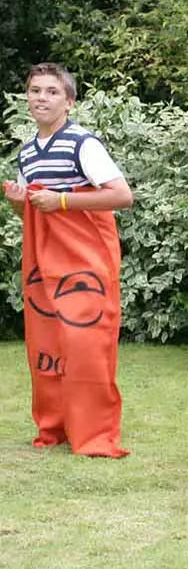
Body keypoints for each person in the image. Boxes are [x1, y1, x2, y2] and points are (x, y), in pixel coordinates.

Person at [2, 62, 134, 456]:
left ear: (69, 102)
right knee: (48, 344)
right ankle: (55, 427)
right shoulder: (28, 152)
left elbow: (121, 195)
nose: (41, 97)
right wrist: (17, 203)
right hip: (45, 262)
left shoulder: (82, 144)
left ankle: (93, 433)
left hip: (85, 259)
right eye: (35, 90)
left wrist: (60, 200)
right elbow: (37, 211)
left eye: (52, 92)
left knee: (86, 342)